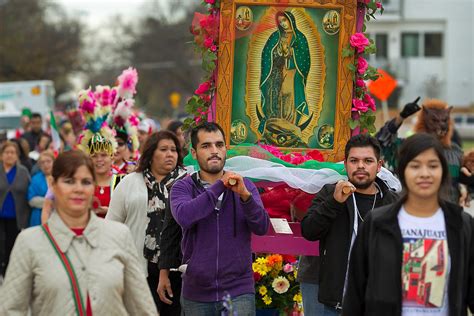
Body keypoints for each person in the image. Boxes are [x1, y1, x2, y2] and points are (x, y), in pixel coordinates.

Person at [0, 150, 157, 315]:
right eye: (69, 181)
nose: (78, 189)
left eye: (86, 182)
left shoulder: (119, 235)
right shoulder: (29, 242)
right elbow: (11, 309)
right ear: (53, 185)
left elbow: (143, 308)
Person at [343, 133, 474, 315]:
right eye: (415, 166)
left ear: (443, 171)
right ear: (402, 170)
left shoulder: (461, 224)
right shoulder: (378, 223)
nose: (424, 173)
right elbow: (355, 296)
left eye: (433, 166)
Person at [170, 122, 270, 315]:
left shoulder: (245, 185)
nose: (214, 151)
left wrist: (246, 197)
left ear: (226, 149)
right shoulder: (182, 187)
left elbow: (261, 227)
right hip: (196, 292)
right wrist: (220, 187)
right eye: (206, 146)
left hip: (238, 290)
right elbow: (185, 216)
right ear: (194, 152)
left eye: (219, 145)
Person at [300, 134, 398, 315]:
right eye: (354, 160)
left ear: (379, 166)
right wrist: (334, 202)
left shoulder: (393, 202)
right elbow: (309, 230)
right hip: (335, 302)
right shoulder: (330, 192)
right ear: (345, 164)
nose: (360, 166)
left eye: (368, 161)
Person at [107, 131, 187, 314]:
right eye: (164, 149)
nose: (170, 154)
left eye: (174, 150)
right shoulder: (129, 183)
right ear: (150, 154)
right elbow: (111, 226)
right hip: (139, 268)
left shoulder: (187, 183)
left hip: (177, 268)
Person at [376, 98, 468, 206]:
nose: (441, 125)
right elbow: (382, 142)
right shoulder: (409, 148)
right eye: (434, 120)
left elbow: (468, 175)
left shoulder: (455, 152)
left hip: (449, 216)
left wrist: (465, 185)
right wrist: (401, 117)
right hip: (412, 212)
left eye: (444, 120)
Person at [259, 10, 311, 144]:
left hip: (292, 72)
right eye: (281, 21)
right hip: (277, 72)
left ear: (291, 20)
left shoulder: (300, 37)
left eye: (285, 20)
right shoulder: (275, 36)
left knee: (289, 95)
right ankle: (276, 126)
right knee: (277, 96)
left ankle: (290, 127)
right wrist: (277, 53)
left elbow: (305, 58)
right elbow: (266, 54)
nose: (283, 24)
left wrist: (291, 52)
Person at [0, 140, 31, 278]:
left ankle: (7, 273)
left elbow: (28, 191)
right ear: (1, 155)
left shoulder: (23, 172)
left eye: (13, 153)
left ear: (17, 155)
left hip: (16, 216)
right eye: (7, 152)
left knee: (11, 246)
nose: (9, 155)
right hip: (1, 215)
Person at [27, 150, 54, 226]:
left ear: (54, 162)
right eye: (42, 162)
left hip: (57, 217)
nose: (46, 164)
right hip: (38, 218)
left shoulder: (61, 178)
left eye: (48, 161)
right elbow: (31, 200)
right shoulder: (35, 179)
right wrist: (51, 202)